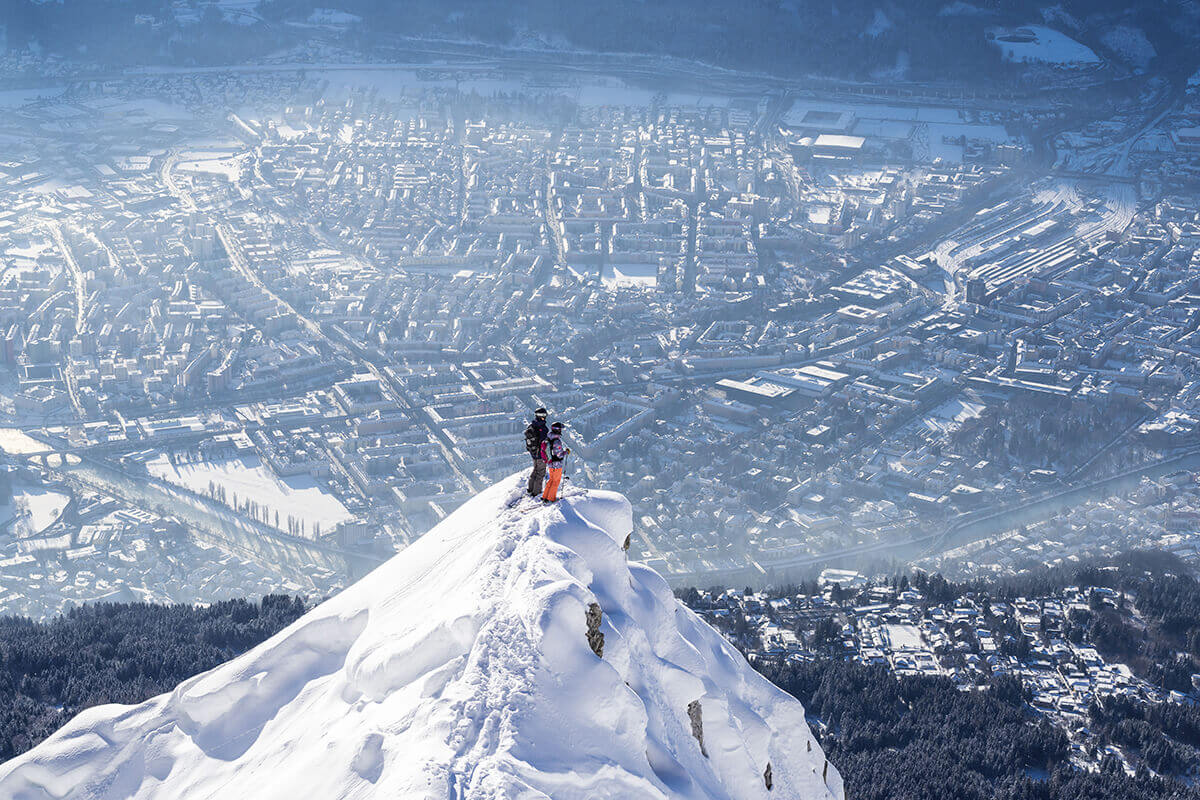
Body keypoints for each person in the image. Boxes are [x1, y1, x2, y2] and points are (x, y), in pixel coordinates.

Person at [540, 421, 570, 503]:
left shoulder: (549, 438)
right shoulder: (557, 441)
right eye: (560, 429)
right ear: (558, 430)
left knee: (551, 480)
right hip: (556, 464)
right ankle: (550, 498)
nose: (561, 431)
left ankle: (545, 496)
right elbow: (559, 455)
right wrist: (566, 452)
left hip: (550, 463)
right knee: (556, 481)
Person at [524, 407, 549, 496]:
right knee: (540, 473)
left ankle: (530, 489)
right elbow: (543, 442)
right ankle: (536, 492)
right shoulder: (543, 428)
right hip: (540, 454)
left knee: (535, 470)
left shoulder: (531, 425)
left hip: (533, 453)